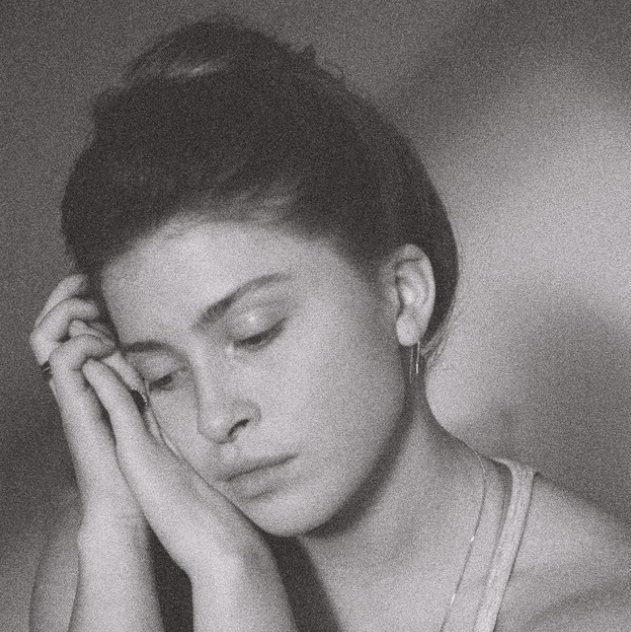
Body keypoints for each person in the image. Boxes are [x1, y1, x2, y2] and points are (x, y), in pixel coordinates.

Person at [29, 16, 631, 632]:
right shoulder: (112, 565)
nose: (215, 418)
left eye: (254, 334)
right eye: (161, 375)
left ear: (403, 296)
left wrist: (239, 583)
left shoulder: (595, 610)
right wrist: (137, 535)